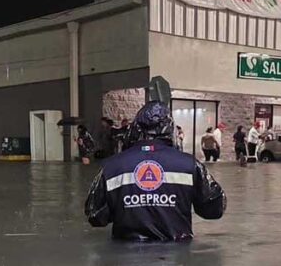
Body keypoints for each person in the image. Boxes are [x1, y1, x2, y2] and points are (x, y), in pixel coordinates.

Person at [84, 82, 226, 241]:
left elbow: (95, 214)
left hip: (125, 257)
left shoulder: (112, 166)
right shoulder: (190, 165)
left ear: (135, 128)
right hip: (177, 257)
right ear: (170, 128)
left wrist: (125, 204)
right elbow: (214, 209)